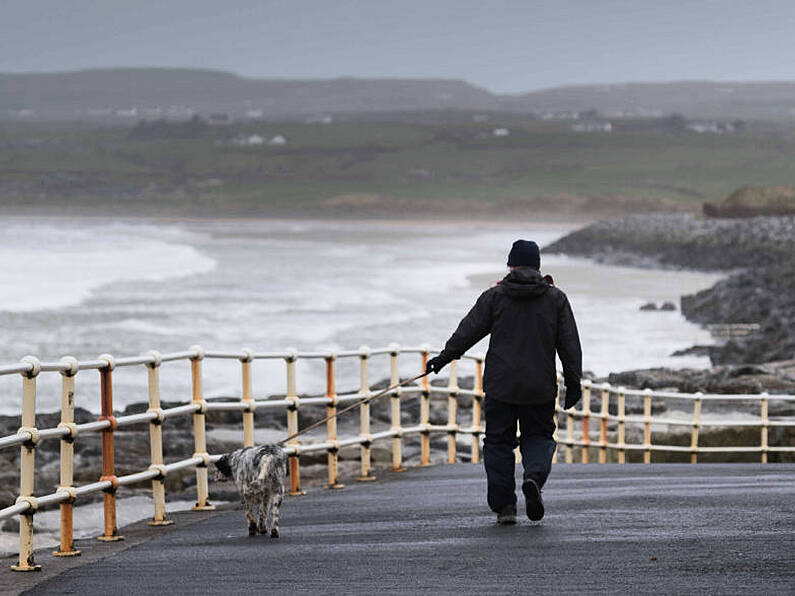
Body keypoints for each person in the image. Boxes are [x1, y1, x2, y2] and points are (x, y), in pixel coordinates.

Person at [426, 239, 582, 525]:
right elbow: (570, 346)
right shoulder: (556, 299)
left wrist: (443, 358)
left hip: (501, 386)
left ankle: (505, 508)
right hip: (539, 388)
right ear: (537, 266)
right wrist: (574, 384)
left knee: (498, 444)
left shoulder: (495, 296)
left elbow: (468, 331)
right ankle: (533, 478)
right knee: (539, 438)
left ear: (511, 264)